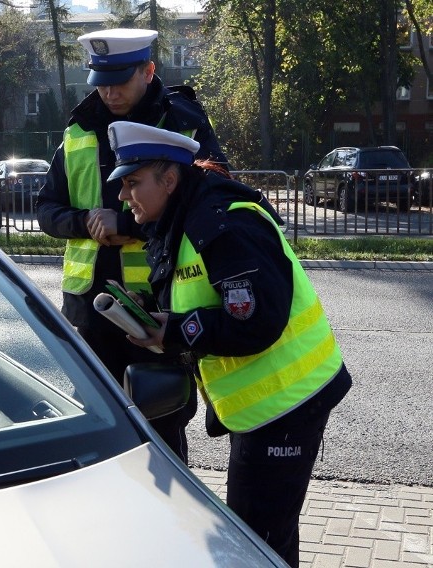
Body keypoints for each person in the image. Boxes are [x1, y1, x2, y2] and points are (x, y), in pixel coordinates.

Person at [106, 120, 353, 567]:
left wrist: (177, 331)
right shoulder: (186, 218)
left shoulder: (222, 223)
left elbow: (257, 321)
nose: (123, 196)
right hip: (265, 408)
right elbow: (204, 300)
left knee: (254, 546)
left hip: (288, 404)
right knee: (267, 540)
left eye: (132, 182)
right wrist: (167, 324)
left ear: (169, 179)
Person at [35, 28, 227, 462]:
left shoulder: (182, 122)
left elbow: (213, 202)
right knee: (102, 426)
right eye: (100, 81)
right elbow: (47, 209)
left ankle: (172, 510)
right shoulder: (79, 127)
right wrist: (85, 221)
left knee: (162, 426)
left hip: (159, 304)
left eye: (120, 80)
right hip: (92, 308)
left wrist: (127, 223)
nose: (108, 91)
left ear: (149, 70)